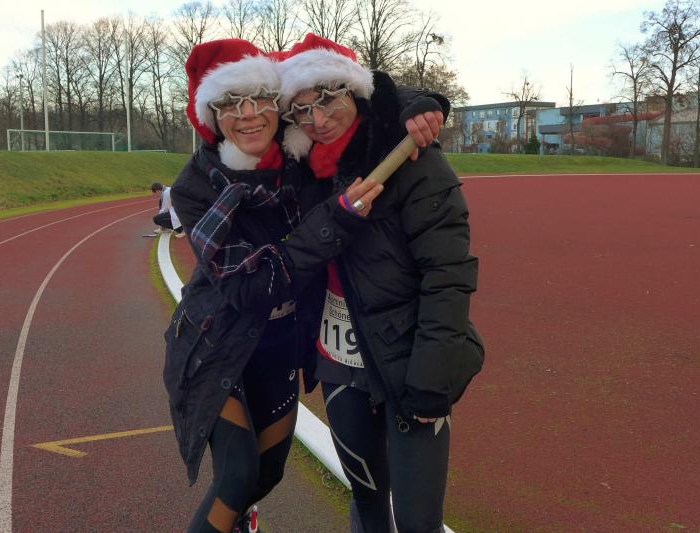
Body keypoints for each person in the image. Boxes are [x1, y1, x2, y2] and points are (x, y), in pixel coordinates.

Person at [162, 38, 390, 533]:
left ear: (276, 103)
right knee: (237, 475)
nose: (248, 115)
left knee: (267, 474)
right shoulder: (195, 186)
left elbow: (362, 109)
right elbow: (250, 288)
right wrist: (334, 219)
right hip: (215, 341)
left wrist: (423, 106)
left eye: (259, 98)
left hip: (282, 342)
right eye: (230, 102)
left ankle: (241, 520)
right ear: (212, 115)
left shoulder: (301, 163)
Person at [276, 34, 486, 533]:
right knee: (368, 505)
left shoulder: (414, 160)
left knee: (417, 522)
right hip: (338, 362)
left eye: (327, 99)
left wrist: (431, 380)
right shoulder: (301, 172)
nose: (318, 120)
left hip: (408, 361)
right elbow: (236, 128)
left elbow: (449, 275)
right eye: (301, 110)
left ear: (353, 90)